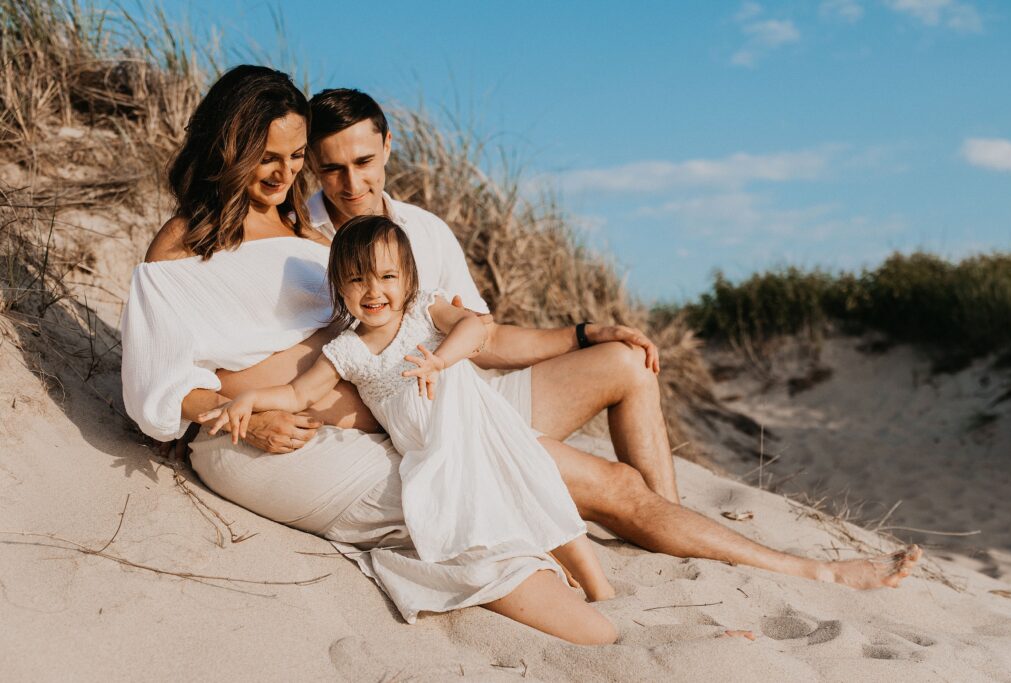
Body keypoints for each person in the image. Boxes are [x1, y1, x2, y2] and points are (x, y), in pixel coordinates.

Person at [122, 66, 919, 650]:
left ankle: (803, 574)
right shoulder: (184, 247)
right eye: (278, 156)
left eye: (299, 158)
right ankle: (638, 609)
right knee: (566, 508)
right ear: (229, 142)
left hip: (418, 409)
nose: (290, 174)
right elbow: (168, 383)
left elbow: (442, 325)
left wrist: (578, 334)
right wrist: (251, 412)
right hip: (332, 433)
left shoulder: (321, 238)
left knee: (608, 480)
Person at [198, 215, 618, 623]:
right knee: (487, 520)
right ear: (338, 288)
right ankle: (543, 570)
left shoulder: (421, 310)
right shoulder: (348, 351)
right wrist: (250, 398)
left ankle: (601, 589)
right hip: (432, 452)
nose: (373, 290)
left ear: (408, 279)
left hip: (482, 430)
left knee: (539, 490)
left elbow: (474, 328)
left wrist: (439, 361)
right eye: (357, 279)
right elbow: (297, 393)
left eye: (387, 276)